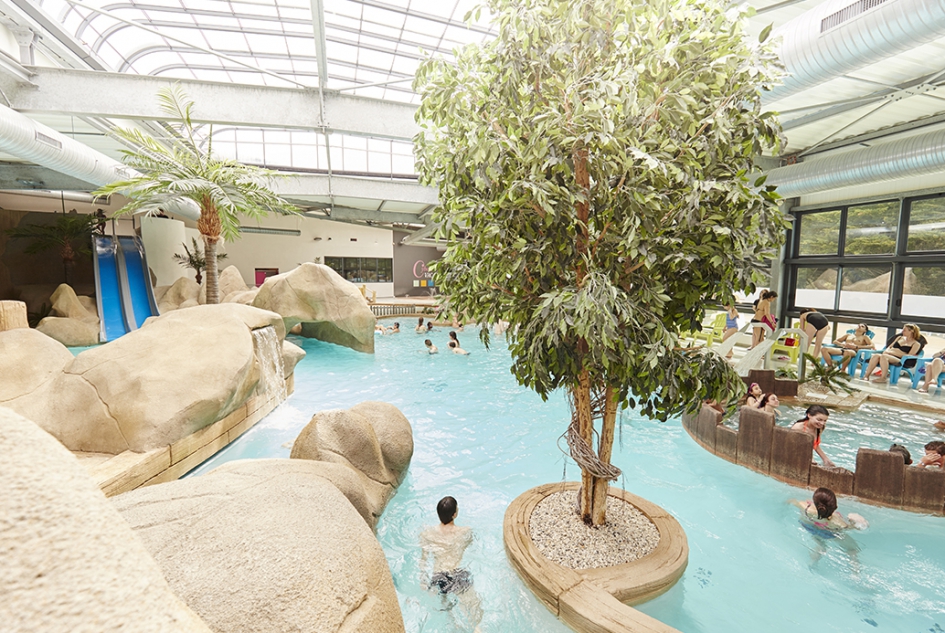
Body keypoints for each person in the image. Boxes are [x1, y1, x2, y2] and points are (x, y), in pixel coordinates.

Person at [419, 496, 482, 632]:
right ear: (455, 514)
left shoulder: (427, 534)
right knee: (473, 613)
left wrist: (423, 581)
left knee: (448, 614)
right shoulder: (465, 531)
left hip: (438, 577)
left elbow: (423, 560)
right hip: (457, 574)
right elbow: (470, 547)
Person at [791, 487, 868, 533]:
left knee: (817, 538)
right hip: (827, 533)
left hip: (809, 526)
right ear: (835, 507)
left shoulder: (807, 509)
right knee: (852, 549)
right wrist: (855, 522)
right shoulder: (836, 520)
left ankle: (819, 548)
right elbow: (849, 527)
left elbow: (792, 501)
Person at [791, 405, 835, 469]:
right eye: (819, 419)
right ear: (809, 415)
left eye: (825, 421)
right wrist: (810, 459)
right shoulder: (798, 428)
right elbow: (792, 447)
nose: (822, 423)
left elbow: (815, 445)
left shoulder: (819, 428)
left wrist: (826, 460)